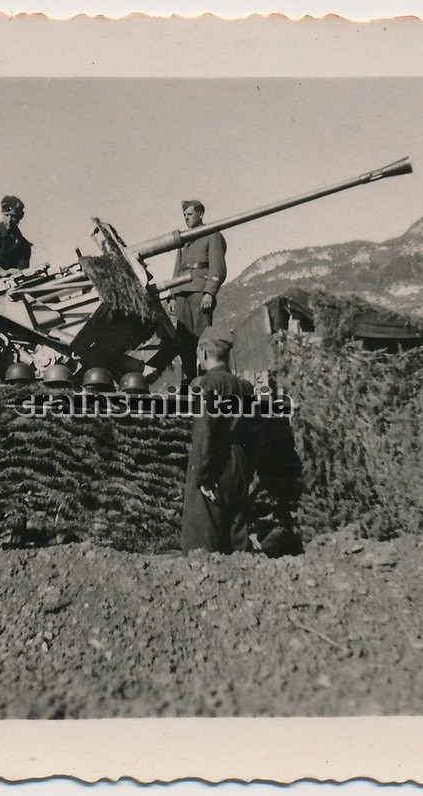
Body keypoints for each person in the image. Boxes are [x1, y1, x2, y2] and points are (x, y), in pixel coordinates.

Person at [180, 327, 253, 555]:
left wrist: (202, 476)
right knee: (236, 538)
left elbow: (204, 433)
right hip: (238, 464)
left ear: (203, 354)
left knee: (202, 544)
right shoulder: (243, 387)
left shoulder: (209, 384)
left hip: (215, 466)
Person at [169, 199, 227, 383]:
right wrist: (172, 295)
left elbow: (217, 266)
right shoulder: (183, 239)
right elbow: (177, 268)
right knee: (183, 340)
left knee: (202, 339)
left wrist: (209, 292)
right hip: (182, 293)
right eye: (184, 215)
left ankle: (205, 380)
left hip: (199, 293)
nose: (186, 218)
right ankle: (190, 379)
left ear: (200, 214)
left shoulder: (212, 234)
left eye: (190, 214)